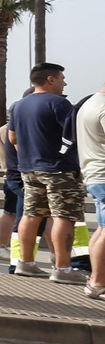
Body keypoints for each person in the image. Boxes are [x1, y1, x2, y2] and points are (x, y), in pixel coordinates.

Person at [10, 63, 88, 283]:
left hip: (28, 168)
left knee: (31, 214)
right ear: (51, 79)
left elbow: (13, 138)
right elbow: (75, 134)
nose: (65, 82)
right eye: (62, 78)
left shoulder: (19, 105)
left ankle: (25, 263)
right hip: (58, 169)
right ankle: (62, 267)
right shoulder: (60, 104)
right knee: (64, 216)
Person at [0, 88, 32, 261]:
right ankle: (1, 246)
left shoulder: (7, 128)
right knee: (10, 213)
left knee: (13, 213)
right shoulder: (8, 129)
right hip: (14, 176)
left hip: (14, 176)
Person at [76, 81, 105, 300]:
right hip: (103, 174)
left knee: (102, 230)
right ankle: (97, 282)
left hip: (94, 173)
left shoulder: (90, 102)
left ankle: (96, 280)